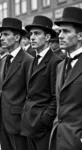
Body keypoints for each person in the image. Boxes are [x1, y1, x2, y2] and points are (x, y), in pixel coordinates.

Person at [21, 15, 61, 150]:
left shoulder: (55, 62)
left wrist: (44, 119)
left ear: (48, 37)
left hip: (42, 127)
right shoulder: (33, 60)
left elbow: (56, 98)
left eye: (37, 34)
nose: (32, 37)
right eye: (31, 34)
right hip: (29, 124)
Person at [0, 17, 33, 150]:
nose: (1, 38)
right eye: (1, 35)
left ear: (17, 37)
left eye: (5, 35)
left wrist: (24, 119)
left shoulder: (28, 61)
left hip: (18, 122)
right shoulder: (4, 60)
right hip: (3, 120)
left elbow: (30, 93)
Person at [49, 7, 82, 150]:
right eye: (60, 31)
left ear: (80, 36)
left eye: (66, 31)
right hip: (58, 138)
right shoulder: (60, 66)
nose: (60, 36)